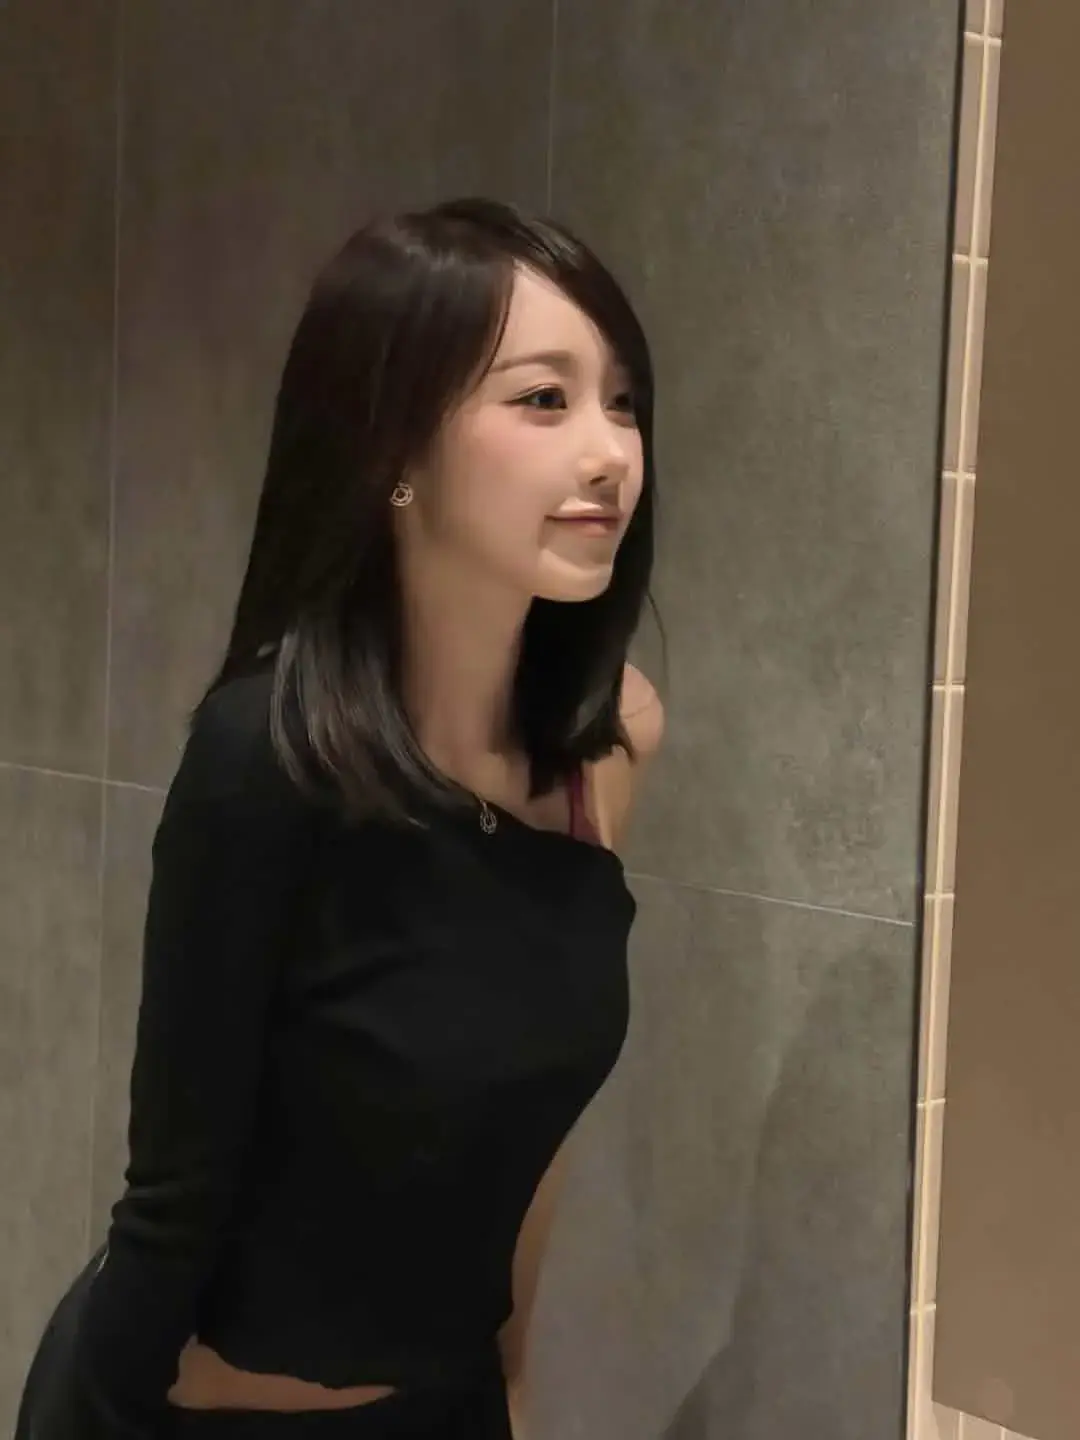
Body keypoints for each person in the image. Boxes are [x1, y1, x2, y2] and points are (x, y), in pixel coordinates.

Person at [15, 196, 663, 1440]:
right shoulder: (265, 757)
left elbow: (529, 1136)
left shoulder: (608, 749)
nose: (610, 454)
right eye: (545, 398)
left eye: (624, 401)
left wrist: (513, 1391)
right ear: (393, 445)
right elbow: (171, 1206)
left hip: (447, 1408)